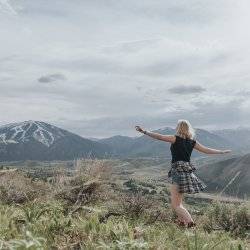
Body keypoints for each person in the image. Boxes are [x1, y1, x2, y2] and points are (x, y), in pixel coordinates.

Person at [135, 120, 231, 228]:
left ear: (178, 128)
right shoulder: (192, 142)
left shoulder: (175, 138)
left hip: (177, 172)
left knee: (176, 205)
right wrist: (221, 152)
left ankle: (191, 224)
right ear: (188, 129)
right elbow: (206, 150)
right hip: (187, 172)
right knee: (179, 203)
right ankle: (183, 226)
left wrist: (144, 131)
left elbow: (159, 137)